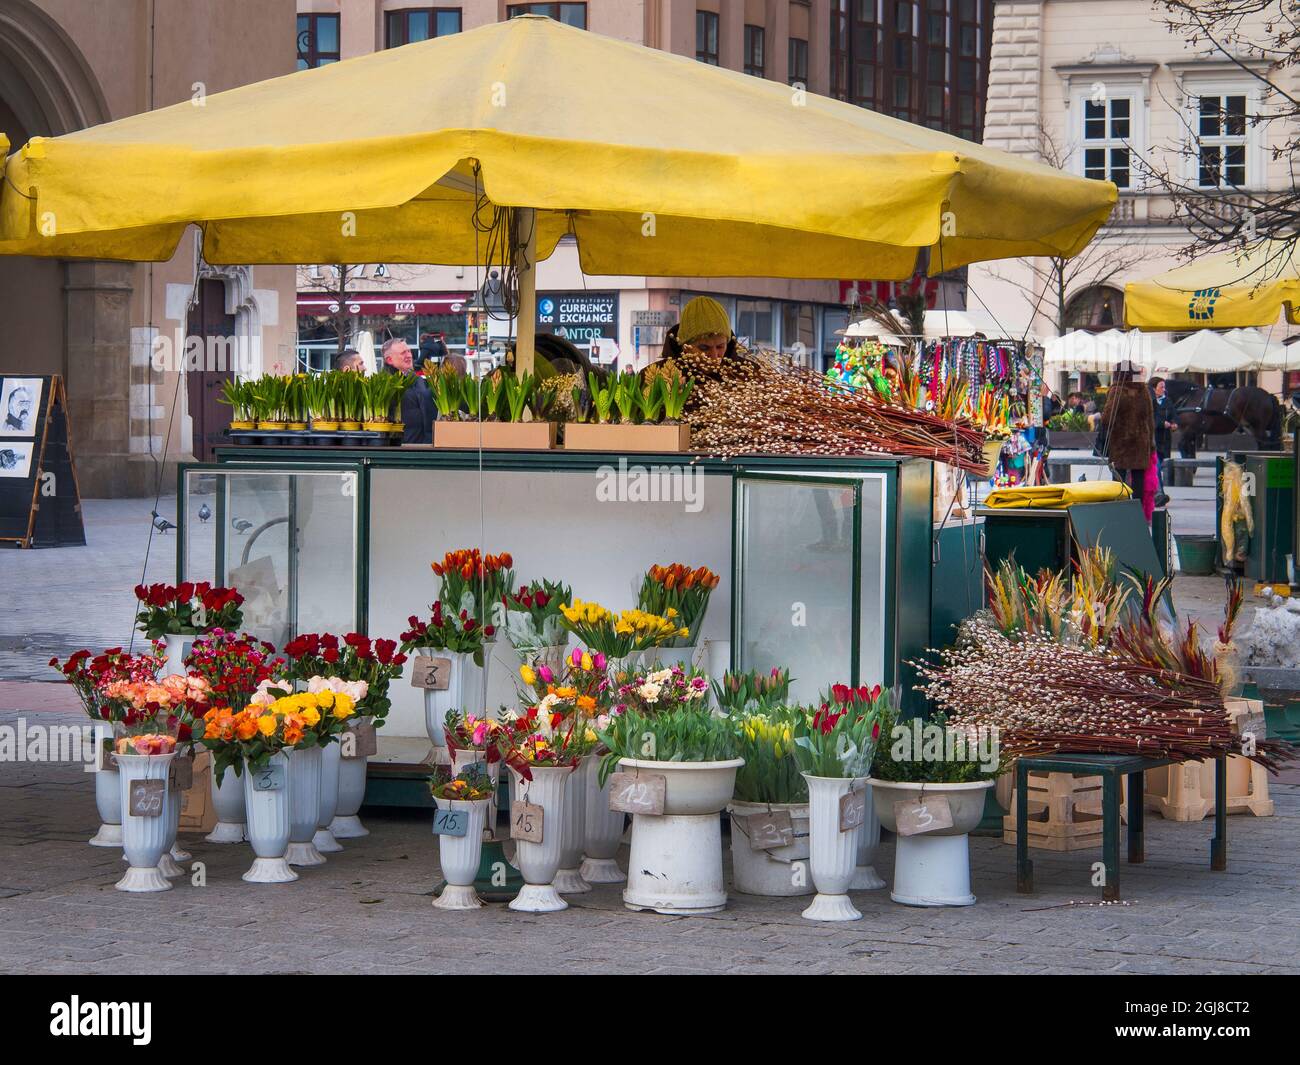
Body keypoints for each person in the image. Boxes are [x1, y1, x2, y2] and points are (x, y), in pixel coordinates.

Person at [1098, 369, 1156, 518]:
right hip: (1141, 442)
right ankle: (1137, 514)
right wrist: (1150, 443)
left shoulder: (1118, 391)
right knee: (1138, 479)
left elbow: (1106, 418)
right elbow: (1150, 418)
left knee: (1118, 478)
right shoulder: (1143, 391)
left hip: (1121, 442)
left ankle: (1118, 512)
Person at [382, 337, 434, 444]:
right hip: (401, 447)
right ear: (389, 360)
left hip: (424, 444)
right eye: (403, 353)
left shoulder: (418, 380)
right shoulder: (386, 384)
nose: (409, 355)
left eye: (409, 351)